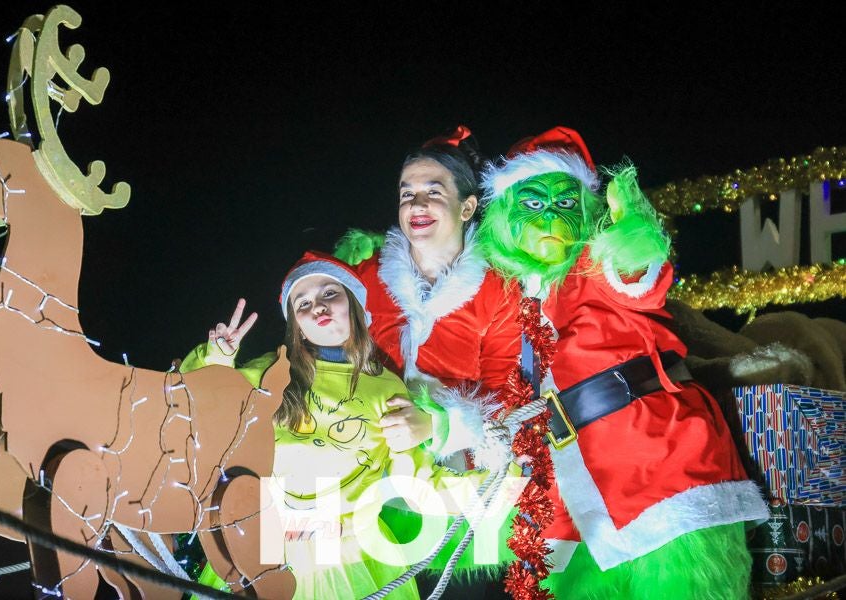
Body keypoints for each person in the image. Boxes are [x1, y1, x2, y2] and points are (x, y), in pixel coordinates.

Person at [478, 126, 770, 598]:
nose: (551, 215)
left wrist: (633, 239)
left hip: (661, 468)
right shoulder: (508, 299)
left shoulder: (594, 262)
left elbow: (636, 280)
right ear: (504, 215)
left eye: (566, 202)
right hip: (574, 494)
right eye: (533, 204)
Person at [180, 251, 500, 600]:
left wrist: (496, 484)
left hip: (347, 563)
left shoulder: (386, 387)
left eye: (329, 293)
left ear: (358, 307)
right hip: (262, 551)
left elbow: (416, 483)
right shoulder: (270, 371)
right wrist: (216, 358)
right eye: (302, 303)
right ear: (296, 325)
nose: (316, 307)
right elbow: (191, 406)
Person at [333, 126, 522, 594]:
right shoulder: (367, 278)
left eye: (433, 193)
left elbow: (507, 397)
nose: (416, 205)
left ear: (467, 207)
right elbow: (315, 336)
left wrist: (438, 424)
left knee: (458, 587)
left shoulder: (499, 289)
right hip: (368, 468)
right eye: (407, 193)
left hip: (460, 476)